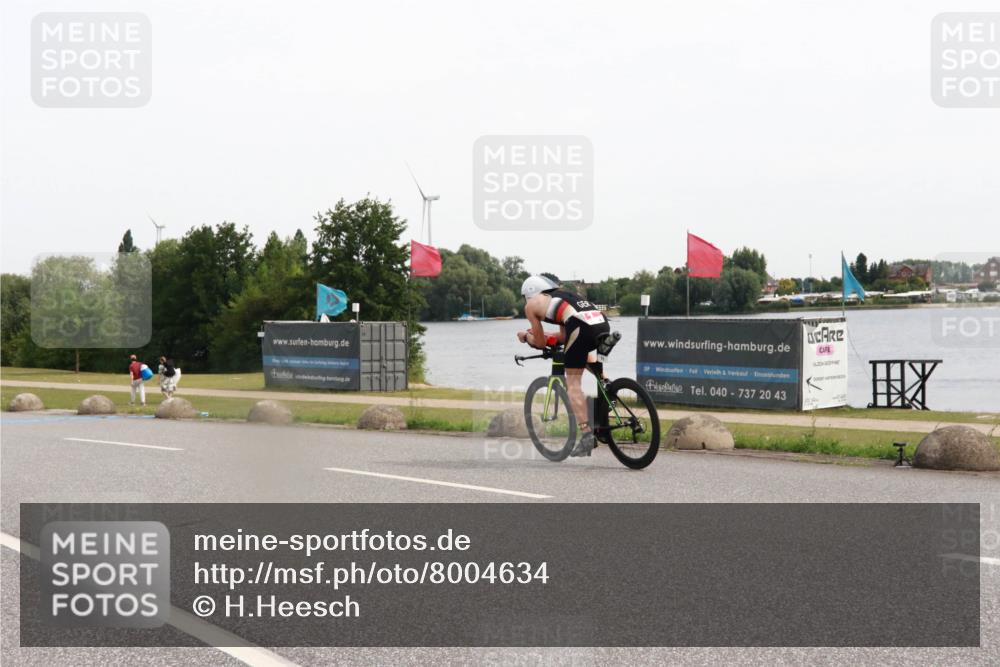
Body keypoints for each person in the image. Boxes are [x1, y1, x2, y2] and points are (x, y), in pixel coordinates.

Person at [517, 275, 610, 457]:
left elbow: (541, 343)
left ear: (529, 293)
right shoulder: (564, 295)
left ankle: (586, 436)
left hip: (581, 328)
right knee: (585, 357)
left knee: (573, 383)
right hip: (601, 324)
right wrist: (550, 335)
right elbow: (565, 336)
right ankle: (608, 387)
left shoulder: (531, 306)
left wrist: (526, 337)